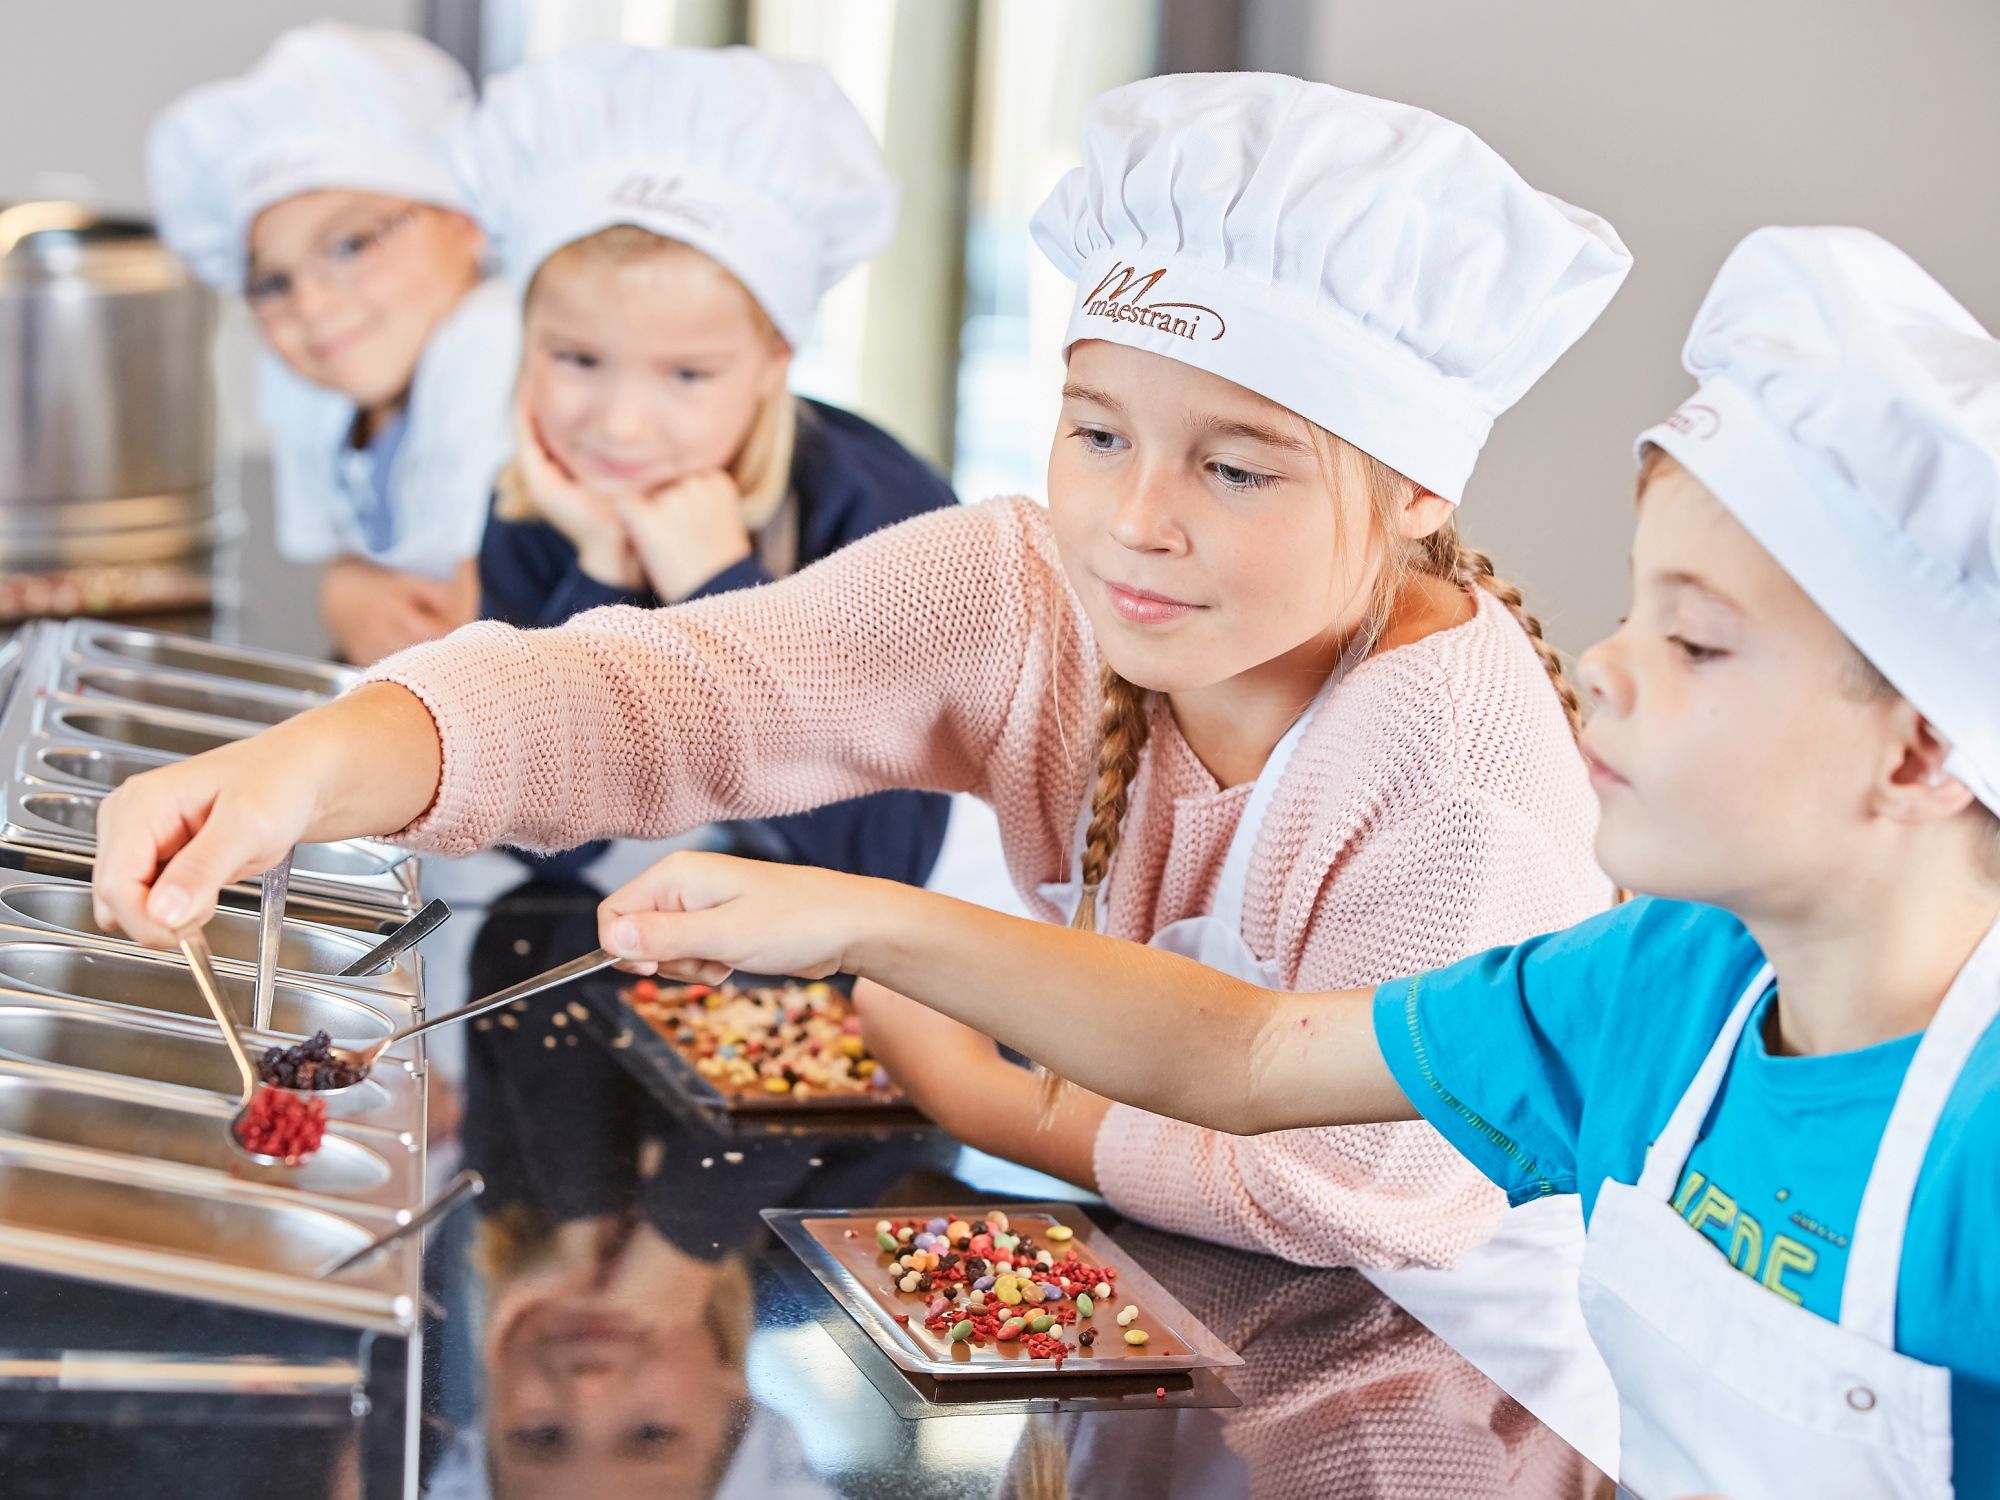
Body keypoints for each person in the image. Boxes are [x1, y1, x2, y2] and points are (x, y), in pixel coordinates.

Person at [95, 71, 1631, 1453]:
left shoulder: (1459, 781)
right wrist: (312, 764)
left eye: (1232, 467)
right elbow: (673, 692)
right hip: (1191, 1328)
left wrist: (957, 1055)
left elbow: (1328, 1181)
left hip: (1427, 1405)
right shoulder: (1030, 593)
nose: (1135, 521)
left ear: (1417, 486)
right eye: (1097, 434)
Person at [572, 227, 2000, 1500]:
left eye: (1694, 642)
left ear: (1923, 752)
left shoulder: (1974, 1150)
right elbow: (1250, 1060)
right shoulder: (1658, 984)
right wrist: (860, 923)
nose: (1608, 669)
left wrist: (905, 994)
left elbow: (1302, 1159)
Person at [459, 44, 956, 883]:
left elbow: (884, 857)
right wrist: (603, 571)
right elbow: (539, 839)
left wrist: (719, 588)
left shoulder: (886, 515)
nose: (619, 424)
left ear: (774, 359)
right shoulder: (539, 507)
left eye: (688, 374)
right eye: (576, 359)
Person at [147, 22, 515, 663]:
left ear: (466, 224)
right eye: (273, 282)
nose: (311, 306)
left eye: (350, 245)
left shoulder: (507, 355)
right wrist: (347, 585)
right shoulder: (341, 404)